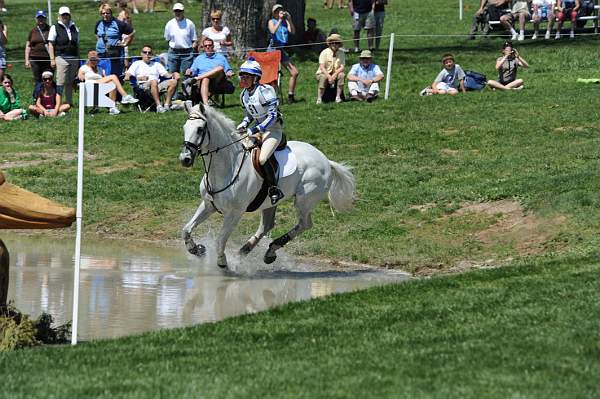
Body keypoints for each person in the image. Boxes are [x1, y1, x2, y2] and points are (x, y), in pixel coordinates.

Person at [236, 58, 285, 205]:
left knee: (262, 159)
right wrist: (244, 123)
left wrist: (256, 129)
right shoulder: (244, 94)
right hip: (258, 130)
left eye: (247, 77)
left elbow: (273, 115)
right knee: (240, 149)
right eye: (242, 76)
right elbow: (251, 113)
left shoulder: (266, 91)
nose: (243, 79)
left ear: (255, 78)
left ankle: (274, 189)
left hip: (273, 130)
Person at [78, 50, 139, 115]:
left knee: (113, 83)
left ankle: (112, 107)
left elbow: (105, 78)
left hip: (101, 87)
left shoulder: (100, 69)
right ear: (88, 59)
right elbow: (79, 76)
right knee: (113, 76)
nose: (93, 61)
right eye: (92, 59)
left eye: (95, 59)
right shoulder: (84, 67)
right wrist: (81, 76)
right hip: (90, 86)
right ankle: (125, 96)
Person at [125, 45, 180, 113]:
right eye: (145, 52)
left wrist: (174, 74)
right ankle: (159, 106)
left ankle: (166, 105)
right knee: (153, 81)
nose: (147, 54)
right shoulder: (137, 63)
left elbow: (167, 75)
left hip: (157, 85)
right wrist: (139, 78)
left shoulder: (156, 64)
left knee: (173, 82)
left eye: (149, 52)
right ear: (141, 54)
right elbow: (128, 75)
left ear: (152, 54)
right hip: (143, 86)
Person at [184, 38, 233, 105]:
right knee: (206, 78)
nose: (208, 47)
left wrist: (229, 72)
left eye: (210, 45)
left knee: (220, 68)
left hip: (217, 81)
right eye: (205, 46)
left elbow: (228, 69)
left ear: (213, 46)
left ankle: (199, 78)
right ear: (203, 47)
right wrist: (189, 71)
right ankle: (206, 104)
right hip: (201, 81)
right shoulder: (199, 58)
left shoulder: (220, 57)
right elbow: (193, 71)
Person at [48, 6, 80, 106]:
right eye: (63, 15)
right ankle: (58, 103)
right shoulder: (55, 27)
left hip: (74, 58)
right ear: (60, 16)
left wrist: (78, 59)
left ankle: (69, 103)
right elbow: (51, 44)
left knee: (70, 81)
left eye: (66, 14)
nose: (65, 16)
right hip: (61, 57)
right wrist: (52, 59)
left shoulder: (75, 27)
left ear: (69, 15)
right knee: (60, 81)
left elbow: (77, 45)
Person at [268, 4, 299, 104]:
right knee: (274, 76)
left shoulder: (285, 23)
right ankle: (273, 98)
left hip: (281, 50)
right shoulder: (271, 22)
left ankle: (291, 96)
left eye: (281, 10)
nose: (280, 12)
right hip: (273, 50)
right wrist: (280, 20)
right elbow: (273, 31)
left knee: (294, 72)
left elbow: (292, 32)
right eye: (277, 11)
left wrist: (289, 20)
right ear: (274, 13)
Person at [95, 3, 133, 79]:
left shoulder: (118, 23)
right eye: (103, 13)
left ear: (111, 13)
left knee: (113, 77)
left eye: (107, 13)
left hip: (115, 54)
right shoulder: (99, 23)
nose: (105, 15)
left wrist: (126, 43)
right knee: (102, 77)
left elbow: (132, 32)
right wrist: (100, 42)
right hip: (101, 54)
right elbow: (96, 33)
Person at [164, 3, 196, 75]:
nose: (177, 13)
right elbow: (168, 39)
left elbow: (194, 39)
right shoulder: (169, 24)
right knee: (172, 74)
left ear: (183, 11)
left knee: (187, 74)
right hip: (173, 52)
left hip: (187, 53)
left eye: (179, 11)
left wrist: (192, 49)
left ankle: (186, 86)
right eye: (176, 11)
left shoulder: (190, 23)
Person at [315, 33, 345, 104]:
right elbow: (322, 67)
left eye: (337, 43)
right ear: (330, 44)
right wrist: (329, 76)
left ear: (339, 44)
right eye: (332, 43)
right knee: (323, 77)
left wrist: (334, 74)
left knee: (342, 75)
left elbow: (342, 66)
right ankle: (319, 98)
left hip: (335, 72)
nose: (334, 44)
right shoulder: (324, 52)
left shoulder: (341, 53)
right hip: (323, 73)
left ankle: (338, 97)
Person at [25, 11, 52, 86]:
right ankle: (38, 96)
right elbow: (28, 46)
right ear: (36, 19)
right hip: (35, 59)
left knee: (48, 78)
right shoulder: (33, 31)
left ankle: (49, 95)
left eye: (42, 18)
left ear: (45, 18)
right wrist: (27, 60)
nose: (40, 19)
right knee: (37, 79)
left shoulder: (50, 29)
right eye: (39, 18)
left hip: (48, 59)